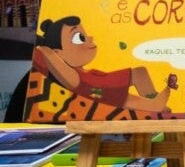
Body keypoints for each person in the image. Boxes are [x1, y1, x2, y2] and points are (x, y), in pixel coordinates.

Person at [34, 16, 177, 113]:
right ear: (58, 53)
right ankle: (153, 105)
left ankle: (152, 100)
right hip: (100, 92)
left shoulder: (82, 74)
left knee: (140, 72)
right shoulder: (73, 77)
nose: (90, 38)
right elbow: (47, 55)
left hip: (105, 83)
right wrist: (44, 48)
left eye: (84, 34)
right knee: (134, 98)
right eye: (79, 37)